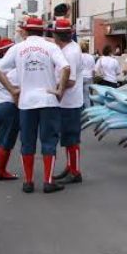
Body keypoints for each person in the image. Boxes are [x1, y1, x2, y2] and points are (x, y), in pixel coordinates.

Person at [0, 16, 72, 194]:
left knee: (27, 141)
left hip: (26, 102)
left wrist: (12, 90)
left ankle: (28, 182)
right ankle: (48, 181)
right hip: (48, 100)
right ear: (43, 31)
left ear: (26, 31)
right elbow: (66, 68)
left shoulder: (17, 48)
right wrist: (59, 90)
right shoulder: (50, 47)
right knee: (48, 141)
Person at [50, 19, 84, 184]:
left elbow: (69, 82)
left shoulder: (70, 52)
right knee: (68, 138)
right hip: (67, 101)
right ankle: (70, 167)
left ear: (57, 35)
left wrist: (51, 88)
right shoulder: (69, 48)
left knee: (71, 138)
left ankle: (75, 171)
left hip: (69, 102)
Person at [0, 39, 21, 180]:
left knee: (2, 139)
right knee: (7, 142)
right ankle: (1, 172)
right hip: (9, 107)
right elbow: (17, 92)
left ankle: (1, 170)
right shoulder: (13, 71)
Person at [80, 42, 95, 108]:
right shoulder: (91, 57)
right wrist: (93, 79)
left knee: (79, 96)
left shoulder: (78, 56)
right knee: (87, 97)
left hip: (80, 77)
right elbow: (93, 70)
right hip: (89, 77)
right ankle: (88, 112)